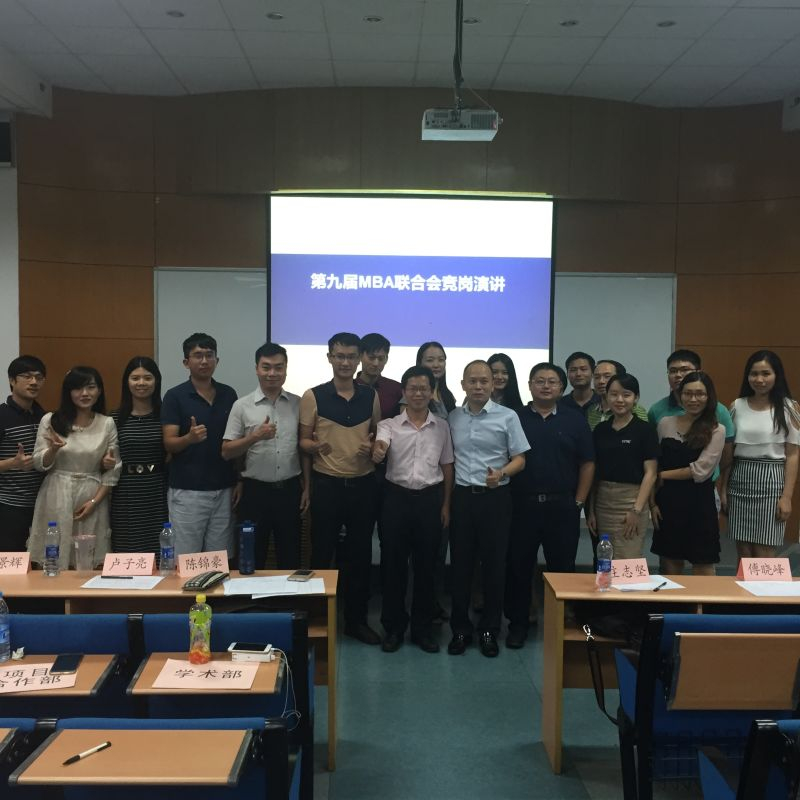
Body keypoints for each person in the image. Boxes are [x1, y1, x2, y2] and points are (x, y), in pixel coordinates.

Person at [299, 332, 381, 644]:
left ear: (359, 359)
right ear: (330, 358)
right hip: (327, 485)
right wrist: (314, 447)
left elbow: (377, 437)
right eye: (339, 356)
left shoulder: (370, 396)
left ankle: (356, 622)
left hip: (362, 485)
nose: (345, 362)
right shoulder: (313, 395)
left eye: (351, 356)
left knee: (360, 555)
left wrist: (372, 448)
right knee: (322, 554)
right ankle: (320, 620)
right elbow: (302, 442)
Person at [506, 363, 594, 648]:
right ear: (530, 385)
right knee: (518, 567)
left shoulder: (575, 420)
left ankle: (561, 627)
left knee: (563, 569)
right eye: (540, 381)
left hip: (562, 507)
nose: (546, 386)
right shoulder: (514, 417)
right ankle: (519, 625)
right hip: (522, 506)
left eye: (552, 381)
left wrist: (579, 502)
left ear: (561, 387)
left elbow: (587, 463)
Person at [447, 360, 529, 658]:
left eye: (484, 381)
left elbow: (520, 459)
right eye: (473, 381)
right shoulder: (453, 417)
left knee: (494, 566)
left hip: (496, 498)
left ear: (493, 384)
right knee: (460, 566)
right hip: (462, 498)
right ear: (463, 384)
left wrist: (502, 473)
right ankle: (460, 629)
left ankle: (489, 630)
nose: (479, 386)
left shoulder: (508, 416)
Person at [372, 366, 454, 654]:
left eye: (424, 388)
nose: (418, 393)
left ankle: (422, 629)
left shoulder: (442, 427)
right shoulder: (389, 424)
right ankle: (393, 628)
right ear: (404, 392)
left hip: (430, 501)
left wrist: (446, 505)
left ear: (432, 392)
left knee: (427, 568)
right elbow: (380, 446)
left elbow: (447, 467)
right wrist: (378, 450)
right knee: (392, 567)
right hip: (396, 500)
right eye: (412, 388)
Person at [222, 342, 306, 569]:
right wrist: (255, 436)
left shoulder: (299, 404)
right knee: (251, 558)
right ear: (257, 369)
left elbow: (303, 448)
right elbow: (227, 451)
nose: (272, 373)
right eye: (266, 367)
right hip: (254, 493)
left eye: (278, 367)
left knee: (290, 556)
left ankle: (289, 593)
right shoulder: (242, 406)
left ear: (286, 369)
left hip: (289, 491)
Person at [28, 366, 121, 568]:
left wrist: (94, 501)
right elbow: (38, 463)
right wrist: (53, 450)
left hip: (91, 494)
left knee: (87, 561)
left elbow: (113, 471)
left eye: (91, 387)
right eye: (78, 388)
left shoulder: (107, 423)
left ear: (99, 391)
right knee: (54, 556)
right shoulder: (51, 420)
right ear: (68, 392)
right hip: (57, 491)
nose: (85, 393)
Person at [162, 333, 238, 557]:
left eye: (209, 355)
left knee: (219, 560)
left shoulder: (229, 394)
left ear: (217, 360)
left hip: (224, 488)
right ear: (186, 362)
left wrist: (239, 479)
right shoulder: (175, 396)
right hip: (188, 490)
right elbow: (169, 443)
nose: (204, 361)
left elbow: (234, 442)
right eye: (197, 356)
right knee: (186, 558)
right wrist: (189, 439)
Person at [722, 350, 800, 559]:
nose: (759, 379)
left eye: (766, 373)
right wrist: (723, 490)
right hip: (739, 481)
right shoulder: (737, 406)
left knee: (764, 552)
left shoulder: (789, 407)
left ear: (777, 375)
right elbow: (729, 454)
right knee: (743, 552)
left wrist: (787, 497)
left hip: (772, 482)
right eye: (754, 374)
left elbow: (793, 455)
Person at [650, 371, 725, 575]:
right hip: (667, 503)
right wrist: (652, 503)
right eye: (688, 393)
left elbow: (700, 471)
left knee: (703, 564)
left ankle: (703, 599)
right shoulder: (665, 423)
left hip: (699, 504)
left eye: (700, 394)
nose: (693, 399)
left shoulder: (717, 429)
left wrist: (661, 476)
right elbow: (655, 462)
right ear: (679, 395)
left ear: (709, 397)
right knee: (670, 564)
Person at [588, 373, 658, 559]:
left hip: (631, 500)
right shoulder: (601, 430)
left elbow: (651, 473)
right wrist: (591, 510)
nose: (619, 400)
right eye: (614, 394)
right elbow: (595, 472)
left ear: (636, 398)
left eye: (626, 395)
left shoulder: (645, 430)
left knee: (628, 558)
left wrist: (636, 510)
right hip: (603, 502)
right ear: (606, 396)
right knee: (606, 557)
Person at [110, 356, 168, 555]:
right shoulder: (114, 418)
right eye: (135, 378)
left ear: (156, 381)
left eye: (147, 378)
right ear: (126, 382)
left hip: (158, 489)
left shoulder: (166, 415)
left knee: (159, 548)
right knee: (128, 547)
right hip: (125, 491)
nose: (141, 383)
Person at [647, 349, 735, 480]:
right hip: (663, 485)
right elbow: (654, 452)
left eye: (684, 370)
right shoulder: (657, 411)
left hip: (702, 484)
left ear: (698, 372)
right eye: (673, 371)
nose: (678, 375)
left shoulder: (720, 410)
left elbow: (727, 455)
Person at [0, 356, 47, 551]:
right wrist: (13, 463)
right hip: (9, 507)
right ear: (12, 380)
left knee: (40, 562)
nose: (34, 382)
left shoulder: (45, 417)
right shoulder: (2, 415)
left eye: (39, 377)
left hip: (42, 505)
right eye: (27, 376)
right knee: (11, 562)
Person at [586, 359, 648, 430]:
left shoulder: (635, 410)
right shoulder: (591, 410)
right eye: (596, 377)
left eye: (607, 376)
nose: (601, 381)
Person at [357, 333, 403, 420]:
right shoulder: (349, 388)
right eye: (371, 357)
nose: (376, 363)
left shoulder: (397, 389)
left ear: (386, 359)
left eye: (381, 358)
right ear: (360, 356)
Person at [416, 342, 456, 419]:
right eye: (430, 360)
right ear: (420, 363)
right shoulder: (412, 395)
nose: (436, 365)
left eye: (441, 360)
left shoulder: (448, 396)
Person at [560, 351, 599, 416]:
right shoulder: (560, 404)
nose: (578, 374)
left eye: (583, 369)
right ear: (567, 375)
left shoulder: (602, 402)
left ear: (592, 373)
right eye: (573, 370)